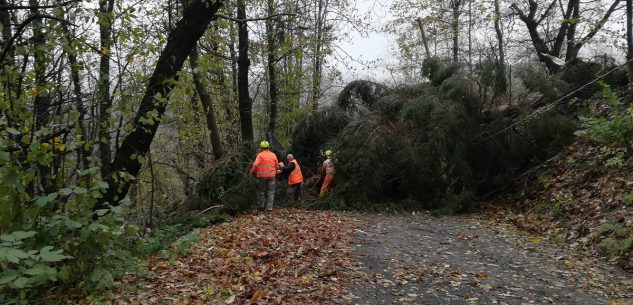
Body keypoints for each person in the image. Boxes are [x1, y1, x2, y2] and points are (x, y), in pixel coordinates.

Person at [249, 141, 279, 211]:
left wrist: (252, 171)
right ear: (268, 147)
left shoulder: (260, 155)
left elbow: (255, 165)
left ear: (261, 148)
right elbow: (277, 166)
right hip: (271, 176)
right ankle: (269, 208)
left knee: (261, 191)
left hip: (262, 176)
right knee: (271, 192)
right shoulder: (273, 155)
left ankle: (261, 206)